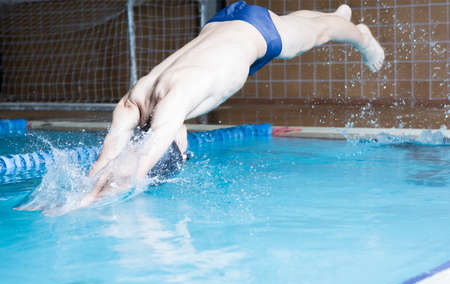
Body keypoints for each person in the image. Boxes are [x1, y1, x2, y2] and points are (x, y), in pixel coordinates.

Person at [82, 1, 384, 205]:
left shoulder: (176, 104)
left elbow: (147, 156)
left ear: (175, 139)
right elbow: (106, 157)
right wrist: (85, 197)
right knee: (297, 26)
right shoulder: (131, 103)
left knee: (321, 34)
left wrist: (115, 191)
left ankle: (361, 37)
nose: (188, 152)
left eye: (184, 154)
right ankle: (336, 18)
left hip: (256, 33)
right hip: (222, 26)